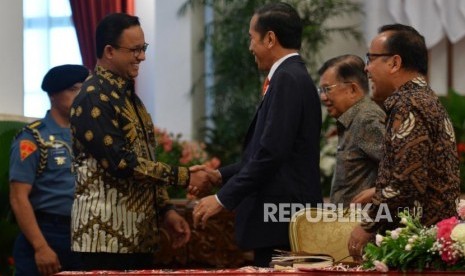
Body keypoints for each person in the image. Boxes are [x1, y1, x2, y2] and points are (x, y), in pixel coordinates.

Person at [69, 13, 209, 270]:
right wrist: (185, 176)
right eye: (134, 50)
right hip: (105, 239)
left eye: (143, 48)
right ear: (109, 51)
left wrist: (165, 210)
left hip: (138, 237)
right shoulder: (93, 97)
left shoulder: (129, 98)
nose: (142, 57)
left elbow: (147, 161)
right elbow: (123, 164)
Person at [192, 2, 323, 267]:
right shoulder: (290, 76)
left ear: (270, 38)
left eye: (252, 38)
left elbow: (271, 155)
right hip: (281, 220)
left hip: (282, 222)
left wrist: (222, 198)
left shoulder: (287, 78)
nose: (250, 47)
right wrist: (219, 175)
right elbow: (266, 153)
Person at [348, 24, 461, 261]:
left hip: (417, 249)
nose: (366, 68)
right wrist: (379, 191)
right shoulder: (424, 99)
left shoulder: (409, 105)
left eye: (371, 58)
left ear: (395, 63)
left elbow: (407, 183)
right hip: (428, 241)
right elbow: (418, 173)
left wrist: (367, 225)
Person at [9, 64, 89, 276]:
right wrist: (41, 247)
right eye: (73, 89)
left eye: (84, 89)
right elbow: (18, 198)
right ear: (53, 95)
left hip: (84, 234)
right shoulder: (33, 138)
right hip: (47, 231)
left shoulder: (89, 136)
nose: (80, 95)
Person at [317, 55, 385, 207]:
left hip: (364, 225)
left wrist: (378, 192)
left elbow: (401, 170)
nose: (323, 97)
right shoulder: (352, 118)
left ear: (352, 89)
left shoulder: (366, 119)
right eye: (321, 90)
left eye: (327, 89)